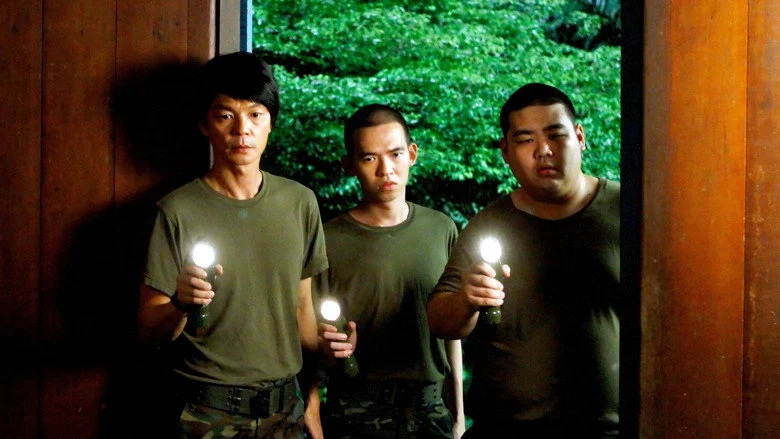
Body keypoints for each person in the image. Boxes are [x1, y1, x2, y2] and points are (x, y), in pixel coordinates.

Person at [137, 52, 328, 438]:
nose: (243, 129)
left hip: (286, 411)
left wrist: (334, 349)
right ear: (204, 124)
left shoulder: (300, 202)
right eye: (226, 115)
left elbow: (303, 311)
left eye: (256, 114)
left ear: (271, 122)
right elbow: (149, 329)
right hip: (207, 412)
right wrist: (181, 303)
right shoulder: (176, 211)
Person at [427, 83, 620, 438]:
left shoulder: (628, 212)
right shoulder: (489, 225)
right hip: (507, 429)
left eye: (555, 135)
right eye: (526, 139)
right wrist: (467, 299)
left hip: (610, 429)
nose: (543, 150)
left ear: (580, 137)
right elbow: (440, 321)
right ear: (505, 150)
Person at [314, 104, 465, 438]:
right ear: (349, 165)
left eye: (395, 154)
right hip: (354, 412)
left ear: (412, 154)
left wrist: (458, 413)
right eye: (369, 158)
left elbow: (451, 329)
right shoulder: (326, 240)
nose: (386, 170)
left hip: (430, 411)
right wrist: (330, 348)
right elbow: (309, 337)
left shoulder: (441, 229)